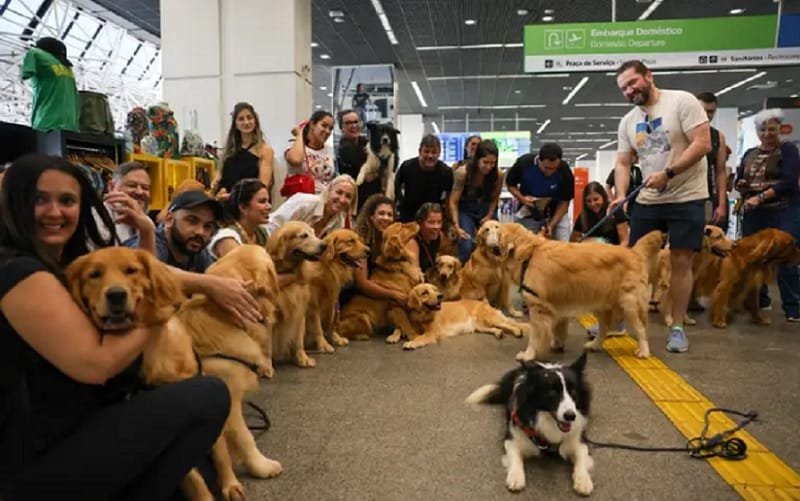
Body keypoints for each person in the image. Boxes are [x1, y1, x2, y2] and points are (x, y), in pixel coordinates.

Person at [0, 154, 230, 500]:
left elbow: (136, 270)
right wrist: (159, 314)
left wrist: (147, 238)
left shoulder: (59, 265)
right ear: (15, 204)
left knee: (197, 466)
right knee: (209, 396)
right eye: (38, 199)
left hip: (69, 429)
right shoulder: (19, 273)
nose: (54, 212)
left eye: (67, 201)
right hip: (32, 462)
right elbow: (97, 365)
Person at [611, 59, 712, 353]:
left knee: (681, 262)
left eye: (632, 83)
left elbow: (702, 143)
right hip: (648, 198)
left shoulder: (681, 102)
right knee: (633, 261)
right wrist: (620, 194)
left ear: (648, 76)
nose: (629, 91)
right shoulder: (628, 121)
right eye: (624, 88)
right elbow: (622, 161)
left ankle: (677, 326)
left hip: (686, 195)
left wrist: (669, 173)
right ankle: (619, 319)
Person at [734, 108, 800, 322]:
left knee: (785, 256)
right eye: (763, 129)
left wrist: (761, 197)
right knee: (753, 258)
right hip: (755, 212)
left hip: (783, 210)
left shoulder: (788, 150)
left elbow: (789, 181)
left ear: (780, 129)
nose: (767, 133)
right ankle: (758, 301)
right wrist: (741, 185)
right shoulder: (749, 153)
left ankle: (793, 306)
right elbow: (740, 178)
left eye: (772, 129)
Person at [342, 194, 407, 306]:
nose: (386, 218)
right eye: (381, 213)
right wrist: (394, 295)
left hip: (380, 292)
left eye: (390, 215)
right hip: (356, 297)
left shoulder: (389, 240)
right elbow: (362, 283)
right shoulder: (360, 240)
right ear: (371, 217)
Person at [505, 143, 574, 240]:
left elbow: (565, 202)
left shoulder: (564, 170)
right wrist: (522, 199)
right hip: (530, 210)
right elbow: (510, 184)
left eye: (554, 168)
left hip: (557, 212)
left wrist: (551, 225)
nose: (550, 172)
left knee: (562, 242)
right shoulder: (524, 163)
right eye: (547, 168)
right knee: (526, 243)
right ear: (539, 161)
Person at [449, 139, 503, 263]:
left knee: (495, 243)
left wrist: (489, 215)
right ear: (477, 159)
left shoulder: (498, 175)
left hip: (486, 208)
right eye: (485, 162)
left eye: (493, 163)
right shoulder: (463, 173)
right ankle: (465, 274)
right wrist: (456, 225)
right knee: (466, 244)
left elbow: (495, 198)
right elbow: (453, 201)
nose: (489, 167)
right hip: (466, 209)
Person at [212, 102, 274, 200]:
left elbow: (263, 186)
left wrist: (233, 197)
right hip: (225, 204)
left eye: (249, 117)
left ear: (255, 120)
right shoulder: (228, 150)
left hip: (249, 205)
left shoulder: (265, 150)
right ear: (235, 124)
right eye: (241, 119)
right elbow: (217, 178)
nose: (246, 122)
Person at [266, 174, 357, 237]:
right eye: (339, 192)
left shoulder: (340, 221)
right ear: (329, 191)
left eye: (348, 196)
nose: (342, 199)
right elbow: (273, 225)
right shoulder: (304, 202)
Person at [157, 190, 222, 273]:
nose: (200, 232)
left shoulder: (198, 250)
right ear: (169, 219)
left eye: (207, 226)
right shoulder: (150, 243)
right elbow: (156, 274)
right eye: (192, 221)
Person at [394, 135, 454, 223]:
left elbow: (449, 198)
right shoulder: (406, 167)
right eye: (426, 151)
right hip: (408, 214)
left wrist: (449, 221)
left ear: (439, 153)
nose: (430, 156)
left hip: (433, 217)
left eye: (434, 152)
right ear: (419, 151)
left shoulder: (446, 172)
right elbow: (396, 187)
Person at [97, 161, 155, 252]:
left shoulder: (147, 222)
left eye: (145, 188)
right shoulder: (97, 217)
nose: (139, 192)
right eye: (132, 185)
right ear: (111, 187)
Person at [208, 179, 271, 260]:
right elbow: (241, 271)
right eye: (262, 202)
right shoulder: (227, 237)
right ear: (243, 208)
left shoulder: (264, 233)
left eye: (268, 201)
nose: (269, 207)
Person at [696, 92, 730, 232]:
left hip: (707, 196)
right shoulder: (680, 133)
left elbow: (720, 172)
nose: (707, 115)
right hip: (682, 197)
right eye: (703, 110)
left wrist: (722, 204)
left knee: (709, 240)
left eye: (711, 112)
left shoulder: (717, 137)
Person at [285, 110, 336, 194]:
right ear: (312, 124)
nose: (327, 131)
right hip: (301, 201)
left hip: (323, 201)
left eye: (330, 128)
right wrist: (300, 133)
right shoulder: (295, 146)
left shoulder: (330, 150)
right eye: (324, 125)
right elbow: (296, 160)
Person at [336, 109, 378, 210]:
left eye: (355, 122)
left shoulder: (366, 142)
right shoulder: (344, 149)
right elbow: (369, 176)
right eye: (348, 123)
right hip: (357, 201)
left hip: (375, 198)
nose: (353, 126)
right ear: (341, 127)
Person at [406, 203, 444, 274]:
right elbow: (415, 275)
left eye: (439, 222)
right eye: (431, 222)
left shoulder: (440, 236)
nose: (436, 227)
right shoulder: (412, 242)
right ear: (420, 223)